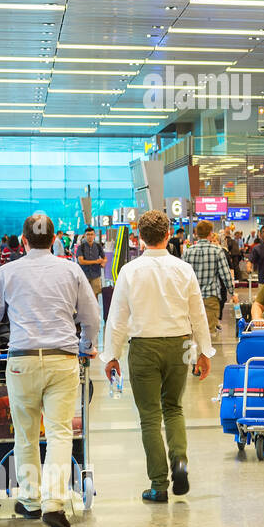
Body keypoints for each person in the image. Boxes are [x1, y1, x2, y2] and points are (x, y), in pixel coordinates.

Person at [0, 213, 101, 527]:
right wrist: (87, 345)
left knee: (25, 434)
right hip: (62, 361)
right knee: (59, 432)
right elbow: (91, 316)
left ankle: (30, 500)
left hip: (21, 360)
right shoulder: (70, 270)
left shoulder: (7, 272)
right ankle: (54, 503)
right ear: (54, 240)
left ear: (24, 241)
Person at [102, 210, 213, 503]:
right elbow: (198, 313)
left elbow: (117, 318)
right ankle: (180, 461)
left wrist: (111, 356)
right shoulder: (183, 269)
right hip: (179, 346)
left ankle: (159, 484)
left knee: (150, 417)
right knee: (174, 408)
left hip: (144, 348)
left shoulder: (129, 270)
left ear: (139, 237)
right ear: (168, 234)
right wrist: (204, 351)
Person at [183, 220, 233, 339]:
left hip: (191, 298)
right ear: (211, 233)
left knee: (192, 333)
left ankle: (193, 357)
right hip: (211, 297)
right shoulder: (217, 251)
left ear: (196, 233)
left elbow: (182, 277)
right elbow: (226, 275)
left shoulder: (188, 252)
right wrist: (232, 292)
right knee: (208, 335)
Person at [75, 227, 105, 300]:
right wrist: (96, 261)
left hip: (96, 274)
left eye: (92, 234)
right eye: (88, 234)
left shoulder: (98, 246)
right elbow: (81, 261)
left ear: (94, 235)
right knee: (84, 296)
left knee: (95, 296)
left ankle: (95, 311)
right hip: (84, 275)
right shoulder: (81, 247)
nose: (90, 236)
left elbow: (104, 258)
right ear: (85, 236)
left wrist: (103, 262)